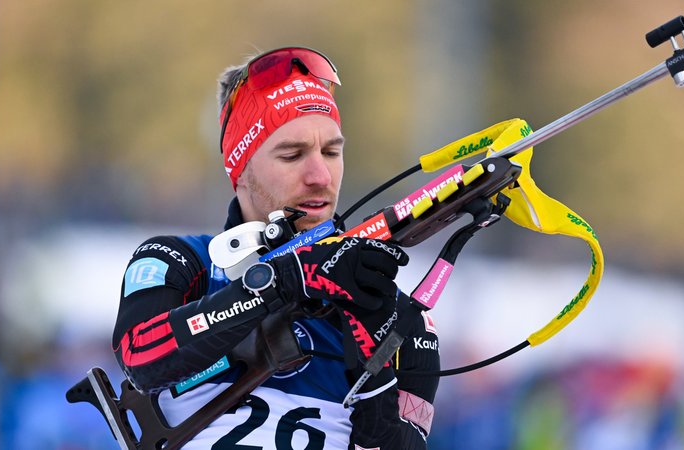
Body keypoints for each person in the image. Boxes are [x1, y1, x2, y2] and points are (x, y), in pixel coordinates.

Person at [112, 47, 440, 449]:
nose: (320, 176)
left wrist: (375, 366)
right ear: (240, 169)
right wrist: (282, 281)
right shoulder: (182, 262)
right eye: (292, 155)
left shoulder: (402, 315)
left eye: (331, 152)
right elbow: (140, 355)